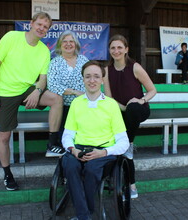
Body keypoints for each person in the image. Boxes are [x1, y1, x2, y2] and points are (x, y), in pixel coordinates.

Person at [0, 12, 63, 191]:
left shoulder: (44, 50)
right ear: (31, 23)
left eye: (45, 27)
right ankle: (7, 174)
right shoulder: (11, 37)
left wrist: (37, 92)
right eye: (39, 24)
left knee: (56, 99)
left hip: (28, 90)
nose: (41, 29)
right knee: (4, 136)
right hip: (6, 92)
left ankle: (52, 143)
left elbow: (43, 78)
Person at [61, 60, 130, 220]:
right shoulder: (76, 104)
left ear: (102, 80)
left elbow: (123, 142)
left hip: (103, 152)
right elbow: (67, 135)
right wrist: (73, 150)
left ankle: (84, 214)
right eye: (88, 76)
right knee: (70, 166)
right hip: (79, 149)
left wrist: (104, 152)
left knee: (92, 169)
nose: (92, 80)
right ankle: (85, 215)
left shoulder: (112, 105)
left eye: (96, 76)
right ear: (83, 79)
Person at [104, 34, 157, 199]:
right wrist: (122, 107)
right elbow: (109, 98)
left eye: (120, 47)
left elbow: (153, 90)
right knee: (123, 149)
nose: (116, 51)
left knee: (132, 114)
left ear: (126, 49)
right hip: (120, 111)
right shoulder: (106, 70)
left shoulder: (134, 67)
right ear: (109, 50)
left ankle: (129, 143)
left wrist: (141, 100)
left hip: (139, 109)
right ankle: (131, 186)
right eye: (113, 48)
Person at [46, 30, 89, 155]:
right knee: (65, 142)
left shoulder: (84, 60)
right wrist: (74, 92)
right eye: (65, 41)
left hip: (82, 106)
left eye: (71, 41)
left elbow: (90, 79)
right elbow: (52, 85)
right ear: (60, 45)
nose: (68, 44)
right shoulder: (55, 63)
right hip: (63, 108)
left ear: (76, 44)